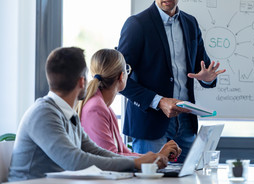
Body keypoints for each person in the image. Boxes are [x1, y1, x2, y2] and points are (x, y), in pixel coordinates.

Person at [117, 0, 225, 162]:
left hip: (186, 124)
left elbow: (202, 70)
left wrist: (208, 78)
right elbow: (118, 81)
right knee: (152, 179)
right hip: (151, 124)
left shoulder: (191, 24)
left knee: (189, 178)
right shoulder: (137, 25)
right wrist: (159, 102)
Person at [8, 47, 169, 181]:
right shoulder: (43, 114)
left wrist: (140, 161)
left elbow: (96, 151)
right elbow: (75, 161)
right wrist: (135, 164)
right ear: (81, 82)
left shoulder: (67, 114)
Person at [77, 48, 181, 160]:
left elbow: (122, 152)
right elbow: (111, 159)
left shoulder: (104, 107)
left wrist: (158, 157)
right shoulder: (96, 108)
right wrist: (157, 157)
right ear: (122, 76)